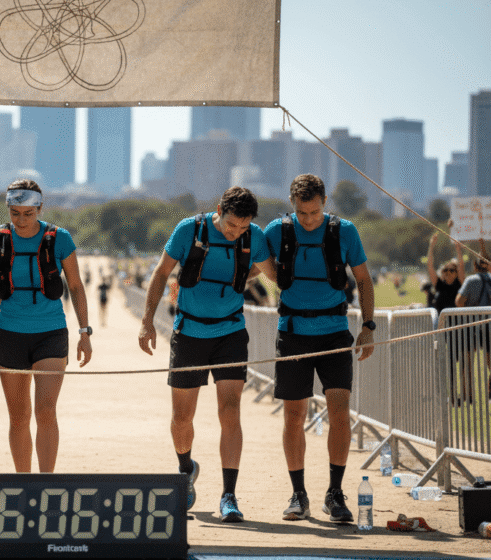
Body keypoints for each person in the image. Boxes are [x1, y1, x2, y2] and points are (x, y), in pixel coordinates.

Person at [138, 186, 273, 521]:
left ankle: (229, 495)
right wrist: (147, 322)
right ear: (218, 210)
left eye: (242, 228)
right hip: (190, 332)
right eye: (230, 226)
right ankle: (186, 470)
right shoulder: (190, 229)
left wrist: (248, 268)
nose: (235, 233)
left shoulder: (252, 236)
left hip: (230, 331)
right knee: (182, 418)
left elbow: (275, 273)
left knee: (230, 412)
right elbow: (160, 273)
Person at [263, 173, 374, 523]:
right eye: (302, 213)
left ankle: (334, 493)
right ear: (292, 206)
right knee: (294, 416)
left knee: (340, 411)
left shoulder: (345, 231)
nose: (308, 220)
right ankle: (298, 494)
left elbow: (364, 279)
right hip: (293, 332)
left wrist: (368, 327)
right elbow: (254, 260)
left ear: (325, 202)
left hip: (335, 332)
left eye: (314, 212)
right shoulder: (276, 231)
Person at [0, 179, 92, 473]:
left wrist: (84, 332)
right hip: (10, 332)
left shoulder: (60, 238)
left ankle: (46, 482)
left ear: (40, 208)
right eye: (15, 213)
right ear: (8, 209)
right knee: (18, 417)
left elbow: (77, 287)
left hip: (50, 332)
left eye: (28, 214)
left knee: (45, 412)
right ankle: (23, 482)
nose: (21, 220)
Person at [453, 239, 491, 406]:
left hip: (472, 327)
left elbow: (459, 301)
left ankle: (469, 398)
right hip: (490, 327)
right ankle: (490, 393)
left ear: (475, 267)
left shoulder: (471, 280)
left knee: (467, 365)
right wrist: (482, 247)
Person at [427, 225, 465, 314]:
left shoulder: (460, 284)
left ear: (456, 273)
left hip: (458, 323)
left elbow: (461, 266)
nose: (448, 272)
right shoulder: (439, 285)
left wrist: (458, 249)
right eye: (445, 270)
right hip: (443, 324)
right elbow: (430, 266)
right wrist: (431, 246)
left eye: (451, 270)